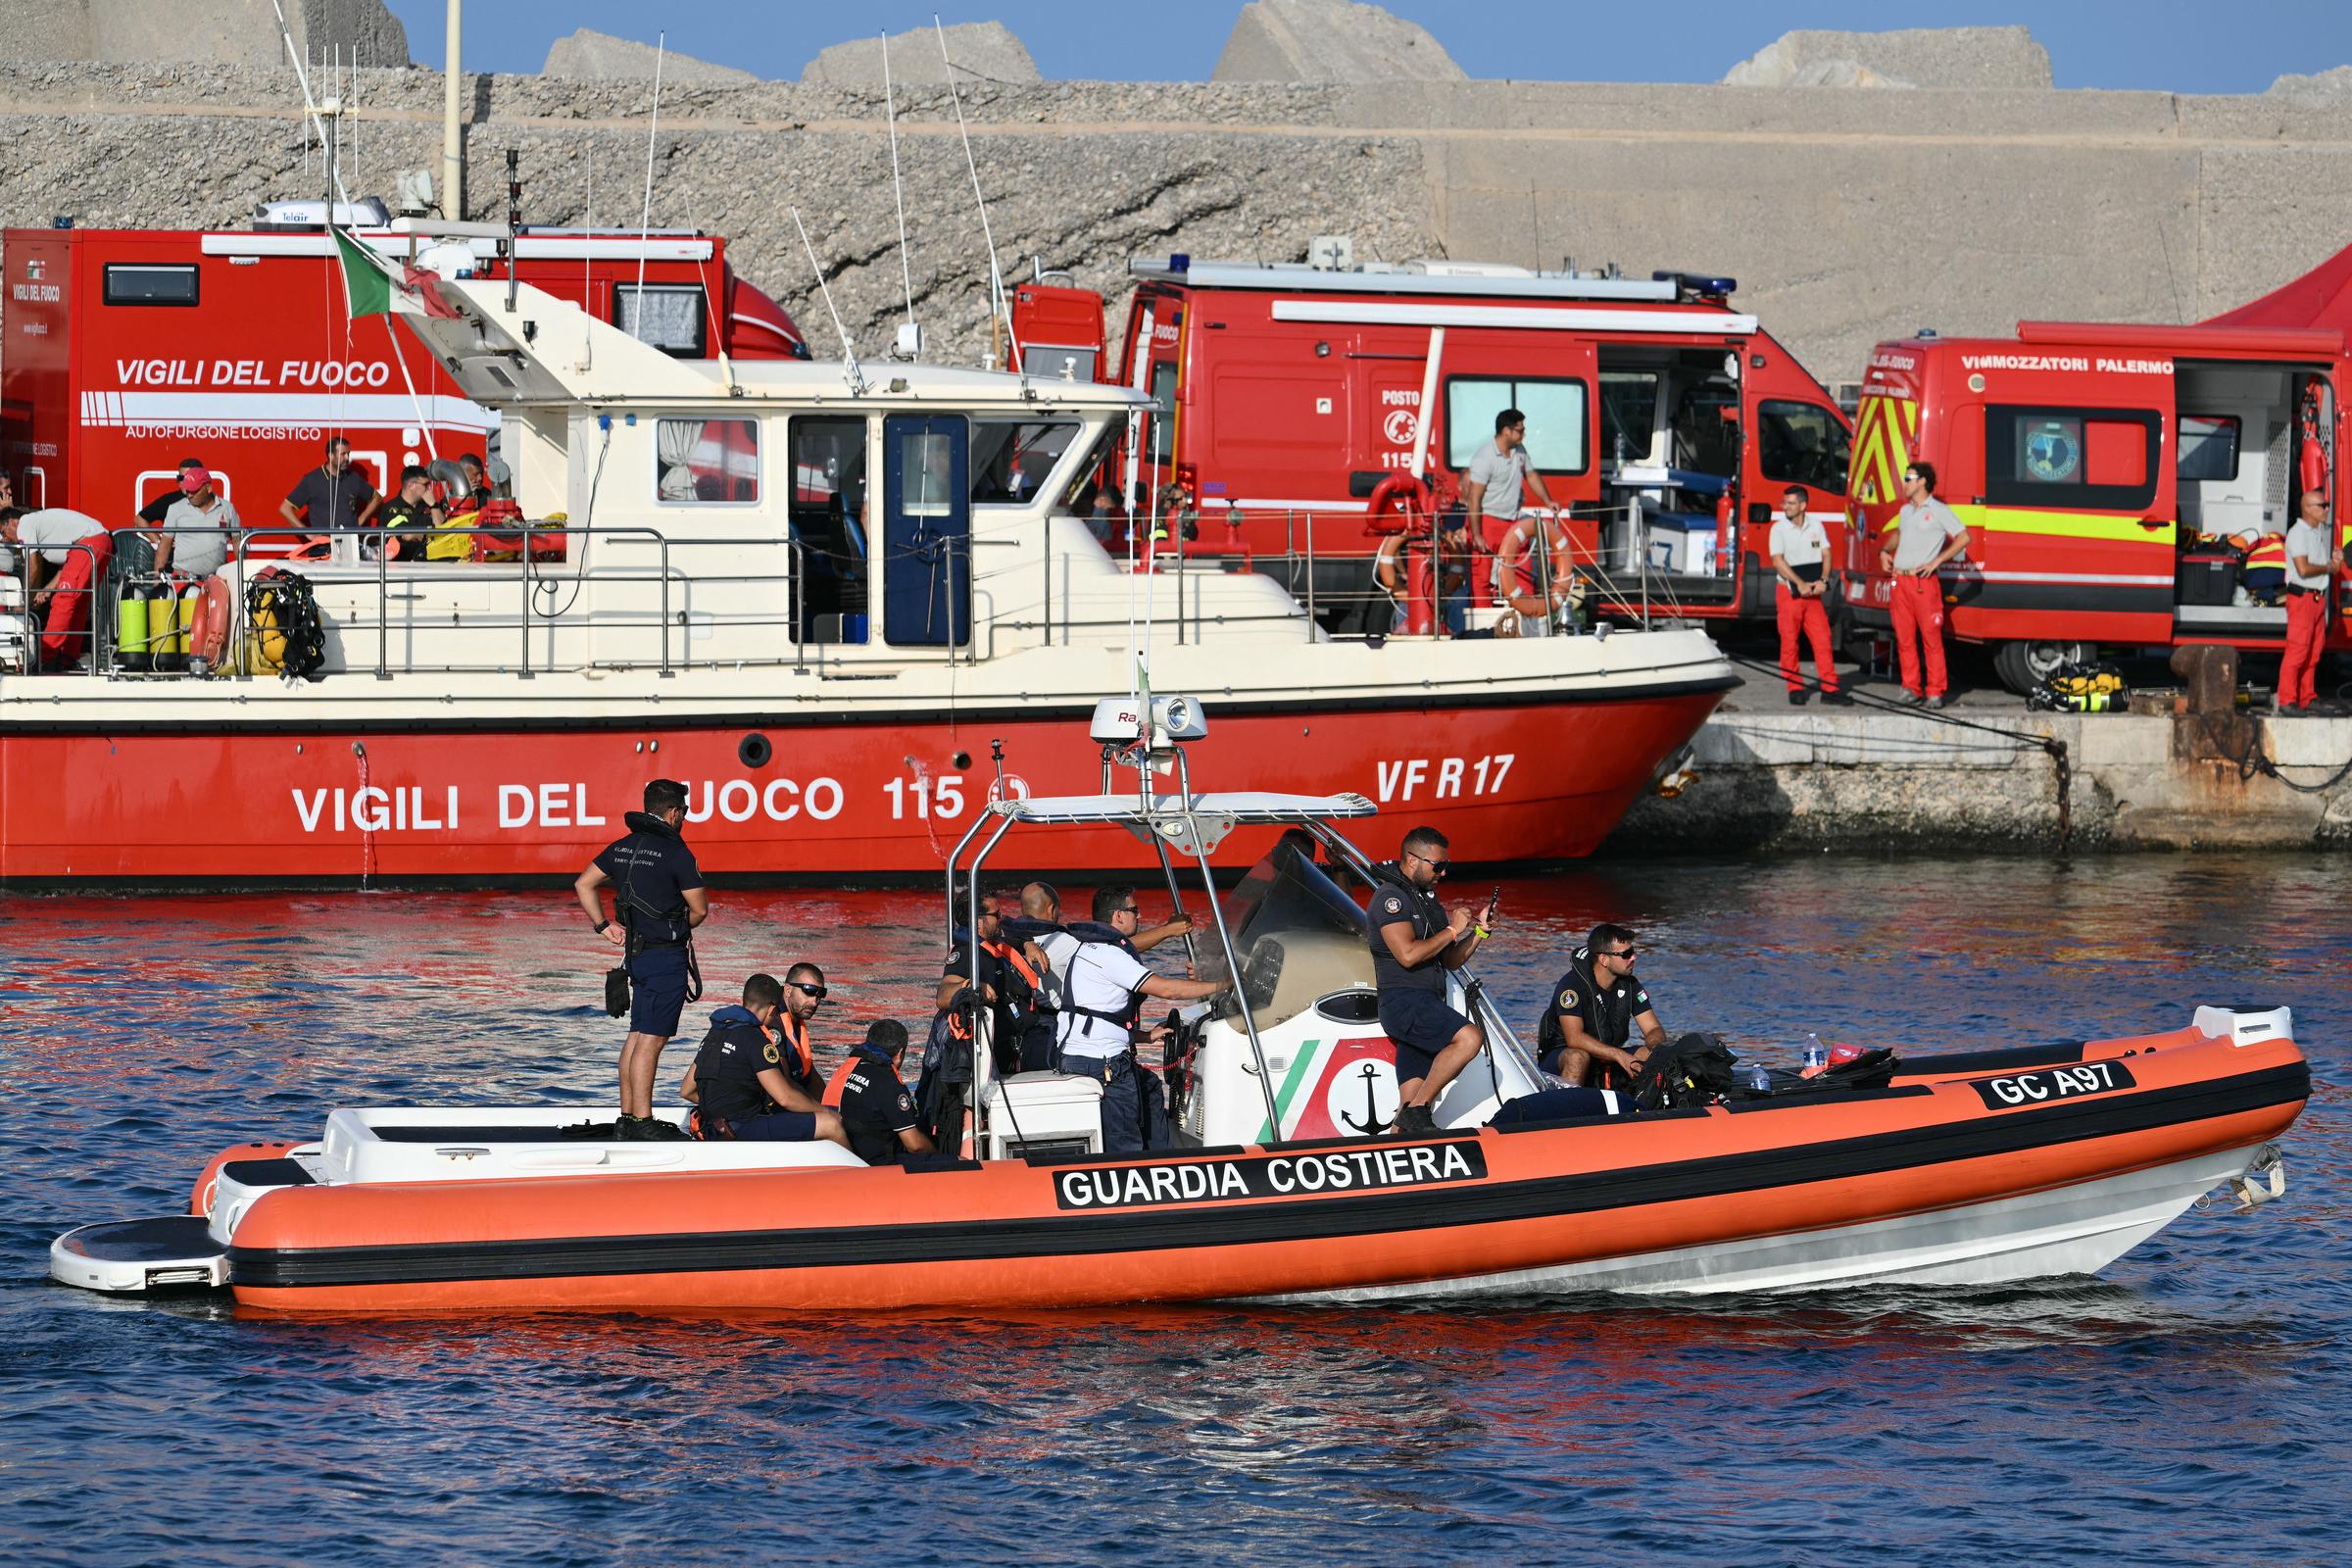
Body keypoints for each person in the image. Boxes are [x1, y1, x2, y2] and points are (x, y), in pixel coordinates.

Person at [1041, 885, 1229, 1153]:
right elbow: (1167, 990)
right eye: (1134, 910)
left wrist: (1145, 1036)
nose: (1139, 916)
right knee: (1123, 1138)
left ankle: (1164, 1160)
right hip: (1103, 1064)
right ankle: (1141, 1173)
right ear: (1118, 916)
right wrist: (1222, 984)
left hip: (1082, 1056)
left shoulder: (1088, 948)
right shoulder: (1110, 955)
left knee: (1150, 1090)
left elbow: (1098, 1012)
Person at [574, 778, 709, 1138]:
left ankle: (628, 1117)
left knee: (636, 1036)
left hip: (635, 955)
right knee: (651, 1040)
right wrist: (679, 928)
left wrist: (603, 926)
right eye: (685, 812)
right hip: (666, 957)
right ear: (675, 811)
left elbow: (583, 883)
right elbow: (699, 909)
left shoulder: (622, 847)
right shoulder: (677, 853)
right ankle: (642, 1123)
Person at [1368, 825, 1494, 1136]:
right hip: (1404, 1003)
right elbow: (1408, 955)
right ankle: (1416, 1113)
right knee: (1469, 1038)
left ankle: (1402, 1138)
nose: (1443, 873)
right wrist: (1452, 930)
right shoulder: (1390, 899)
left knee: (1408, 1107)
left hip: (1425, 1003)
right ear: (1413, 860)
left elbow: (1448, 960)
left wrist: (1478, 932)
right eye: (1437, 866)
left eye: (1445, 865)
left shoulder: (1426, 900)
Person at [679, 971, 849, 1147]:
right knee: (831, 1124)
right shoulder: (756, 1039)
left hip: (712, 1127)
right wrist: (824, 1111)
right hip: (740, 1128)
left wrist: (724, 1106)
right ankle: (857, 1172)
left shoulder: (714, 1034)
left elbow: (687, 1090)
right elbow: (784, 1097)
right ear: (772, 1009)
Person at [1879, 461, 1971, 710]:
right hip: (1901, 580)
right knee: (1905, 638)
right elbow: (1899, 532)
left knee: (1931, 639)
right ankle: (1910, 688)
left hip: (1923, 584)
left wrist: (1937, 561)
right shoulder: (1906, 510)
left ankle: (1935, 690)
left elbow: (1964, 537)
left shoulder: (1939, 509)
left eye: (1908, 478)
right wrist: (1885, 550)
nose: (1904, 483)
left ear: (1921, 482)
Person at [937, 889, 1053, 1077]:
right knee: (1067, 1055)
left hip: (1031, 1032)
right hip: (1015, 1049)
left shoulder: (992, 944)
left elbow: (1007, 942)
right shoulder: (967, 954)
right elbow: (943, 995)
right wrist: (974, 986)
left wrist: (1026, 944)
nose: (1001, 918)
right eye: (996, 914)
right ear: (978, 921)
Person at [1537, 924, 1668, 1088]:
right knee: (1577, 1057)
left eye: (1633, 952)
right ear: (1604, 959)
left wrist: (1657, 1048)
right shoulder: (1571, 986)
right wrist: (1619, 1055)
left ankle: (1648, 1109)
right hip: (1561, 1057)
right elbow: (1574, 1038)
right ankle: (1567, 1108)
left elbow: (1653, 1029)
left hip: (1605, 1056)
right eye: (1626, 954)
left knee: (1648, 1055)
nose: (1633, 958)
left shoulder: (1631, 985)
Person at [1769, 484, 1848, 706]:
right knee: (1789, 641)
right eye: (1785, 502)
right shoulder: (1778, 529)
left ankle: (1830, 690)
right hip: (1789, 594)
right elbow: (1778, 561)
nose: (1786, 507)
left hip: (1813, 594)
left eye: (1791, 503)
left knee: (1823, 639)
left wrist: (1824, 580)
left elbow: (1826, 553)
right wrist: (1799, 583)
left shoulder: (1816, 524)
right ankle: (1794, 687)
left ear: (1803, 505)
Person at [822, 1018, 936, 1163]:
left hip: (841, 1154)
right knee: (959, 1161)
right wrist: (937, 1153)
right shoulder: (889, 1083)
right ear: (900, 1053)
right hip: (876, 1165)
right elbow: (915, 1146)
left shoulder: (846, 1069)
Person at [1461, 408, 1563, 570]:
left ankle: (1523, 596)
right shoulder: (1484, 457)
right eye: (1520, 431)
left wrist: (1548, 501)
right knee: (1482, 576)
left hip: (1513, 521)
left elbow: (1531, 475)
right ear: (1506, 431)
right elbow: (1474, 499)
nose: (1524, 435)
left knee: (1522, 572)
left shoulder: (1519, 450)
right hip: (1488, 521)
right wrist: (1477, 534)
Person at [2278, 489, 2332, 715]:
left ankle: (2307, 697)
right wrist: (2328, 567)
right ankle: (2286, 701)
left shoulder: (2315, 532)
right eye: (2322, 505)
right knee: (2297, 652)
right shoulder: (2298, 533)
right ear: (2308, 508)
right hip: (2303, 599)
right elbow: (2303, 568)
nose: (2327, 509)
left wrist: (2332, 564)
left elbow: (2318, 567)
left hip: (2317, 598)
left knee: (2313, 652)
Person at [279, 436, 380, 541]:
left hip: (351, 544)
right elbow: (285, 508)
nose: (347, 458)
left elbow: (376, 498)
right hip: (323, 547)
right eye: (343, 454)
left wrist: (362, 518)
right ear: (331, 456)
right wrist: (308, 533)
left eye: (348, 454)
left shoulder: (353, 478)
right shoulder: (312, 480)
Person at [149, 466, 242, 579]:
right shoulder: (175, 508)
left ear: (208, 488)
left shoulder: (227, 508)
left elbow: (238, 542)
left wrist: (244, 574)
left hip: (217, 579)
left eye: (194, 490)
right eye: (187, 490)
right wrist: (157, 579)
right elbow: (164, 545)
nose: (189, 495)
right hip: (183, 579)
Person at [371, 465, 446, 562]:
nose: (429, 489)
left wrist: (433, 505)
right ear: (411, 486)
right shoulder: (391, 508)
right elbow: (408, 535)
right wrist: (431, 536)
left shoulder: (430, 507)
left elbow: (444, 531)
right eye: (425, 485)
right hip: (401, 566)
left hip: (429, 564)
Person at [136, 458, 208, 529]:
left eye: (189, 478)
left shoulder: (214, 502)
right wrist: (158, 540)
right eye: (180, 478)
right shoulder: (169, 501)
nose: (183, 482)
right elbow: (139, 520)